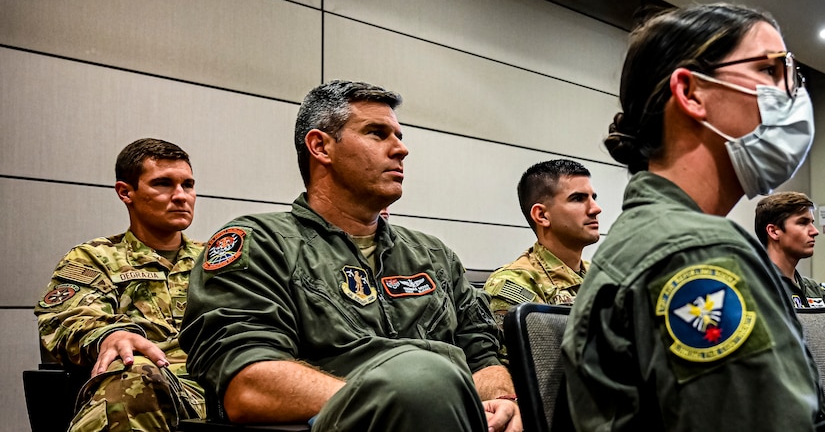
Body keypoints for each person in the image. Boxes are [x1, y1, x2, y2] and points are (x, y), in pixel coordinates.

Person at [181, 80, 521, 432]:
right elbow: (247, 383)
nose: (400, 149)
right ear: (321, 147)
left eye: (399, 136)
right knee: (424, 378)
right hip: (332, 425)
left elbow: (481, 356)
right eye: (377, 133)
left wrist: (502, 401)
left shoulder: (434, 255)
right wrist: (397, 398)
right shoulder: (261, 243)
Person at [561, 3, 823, 430]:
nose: (791, 95)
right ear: (691, 92)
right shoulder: (698, 253)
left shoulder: (653, 237)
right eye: (770, 71)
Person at [35, 138, 206, 432]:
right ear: (126, 192)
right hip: (152, 386)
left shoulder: (215, 259)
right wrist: (110, 335)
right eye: (163, 184)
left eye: (187, 185)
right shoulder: (95, 258)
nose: (181, 196)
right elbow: (65, 319)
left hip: (220, 387)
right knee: (133, 376)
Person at [484, 159, 601, 328]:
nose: (596, 208)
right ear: (542, 216)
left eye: (593, 198)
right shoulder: (514, 284)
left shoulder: (599, 275)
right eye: (578, 199)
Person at [756, 191, 825, 308]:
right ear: (773, 231)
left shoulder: (813, 289)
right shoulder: (756, 288)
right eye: (803, 223)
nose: (815, 231)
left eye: (812, 223)